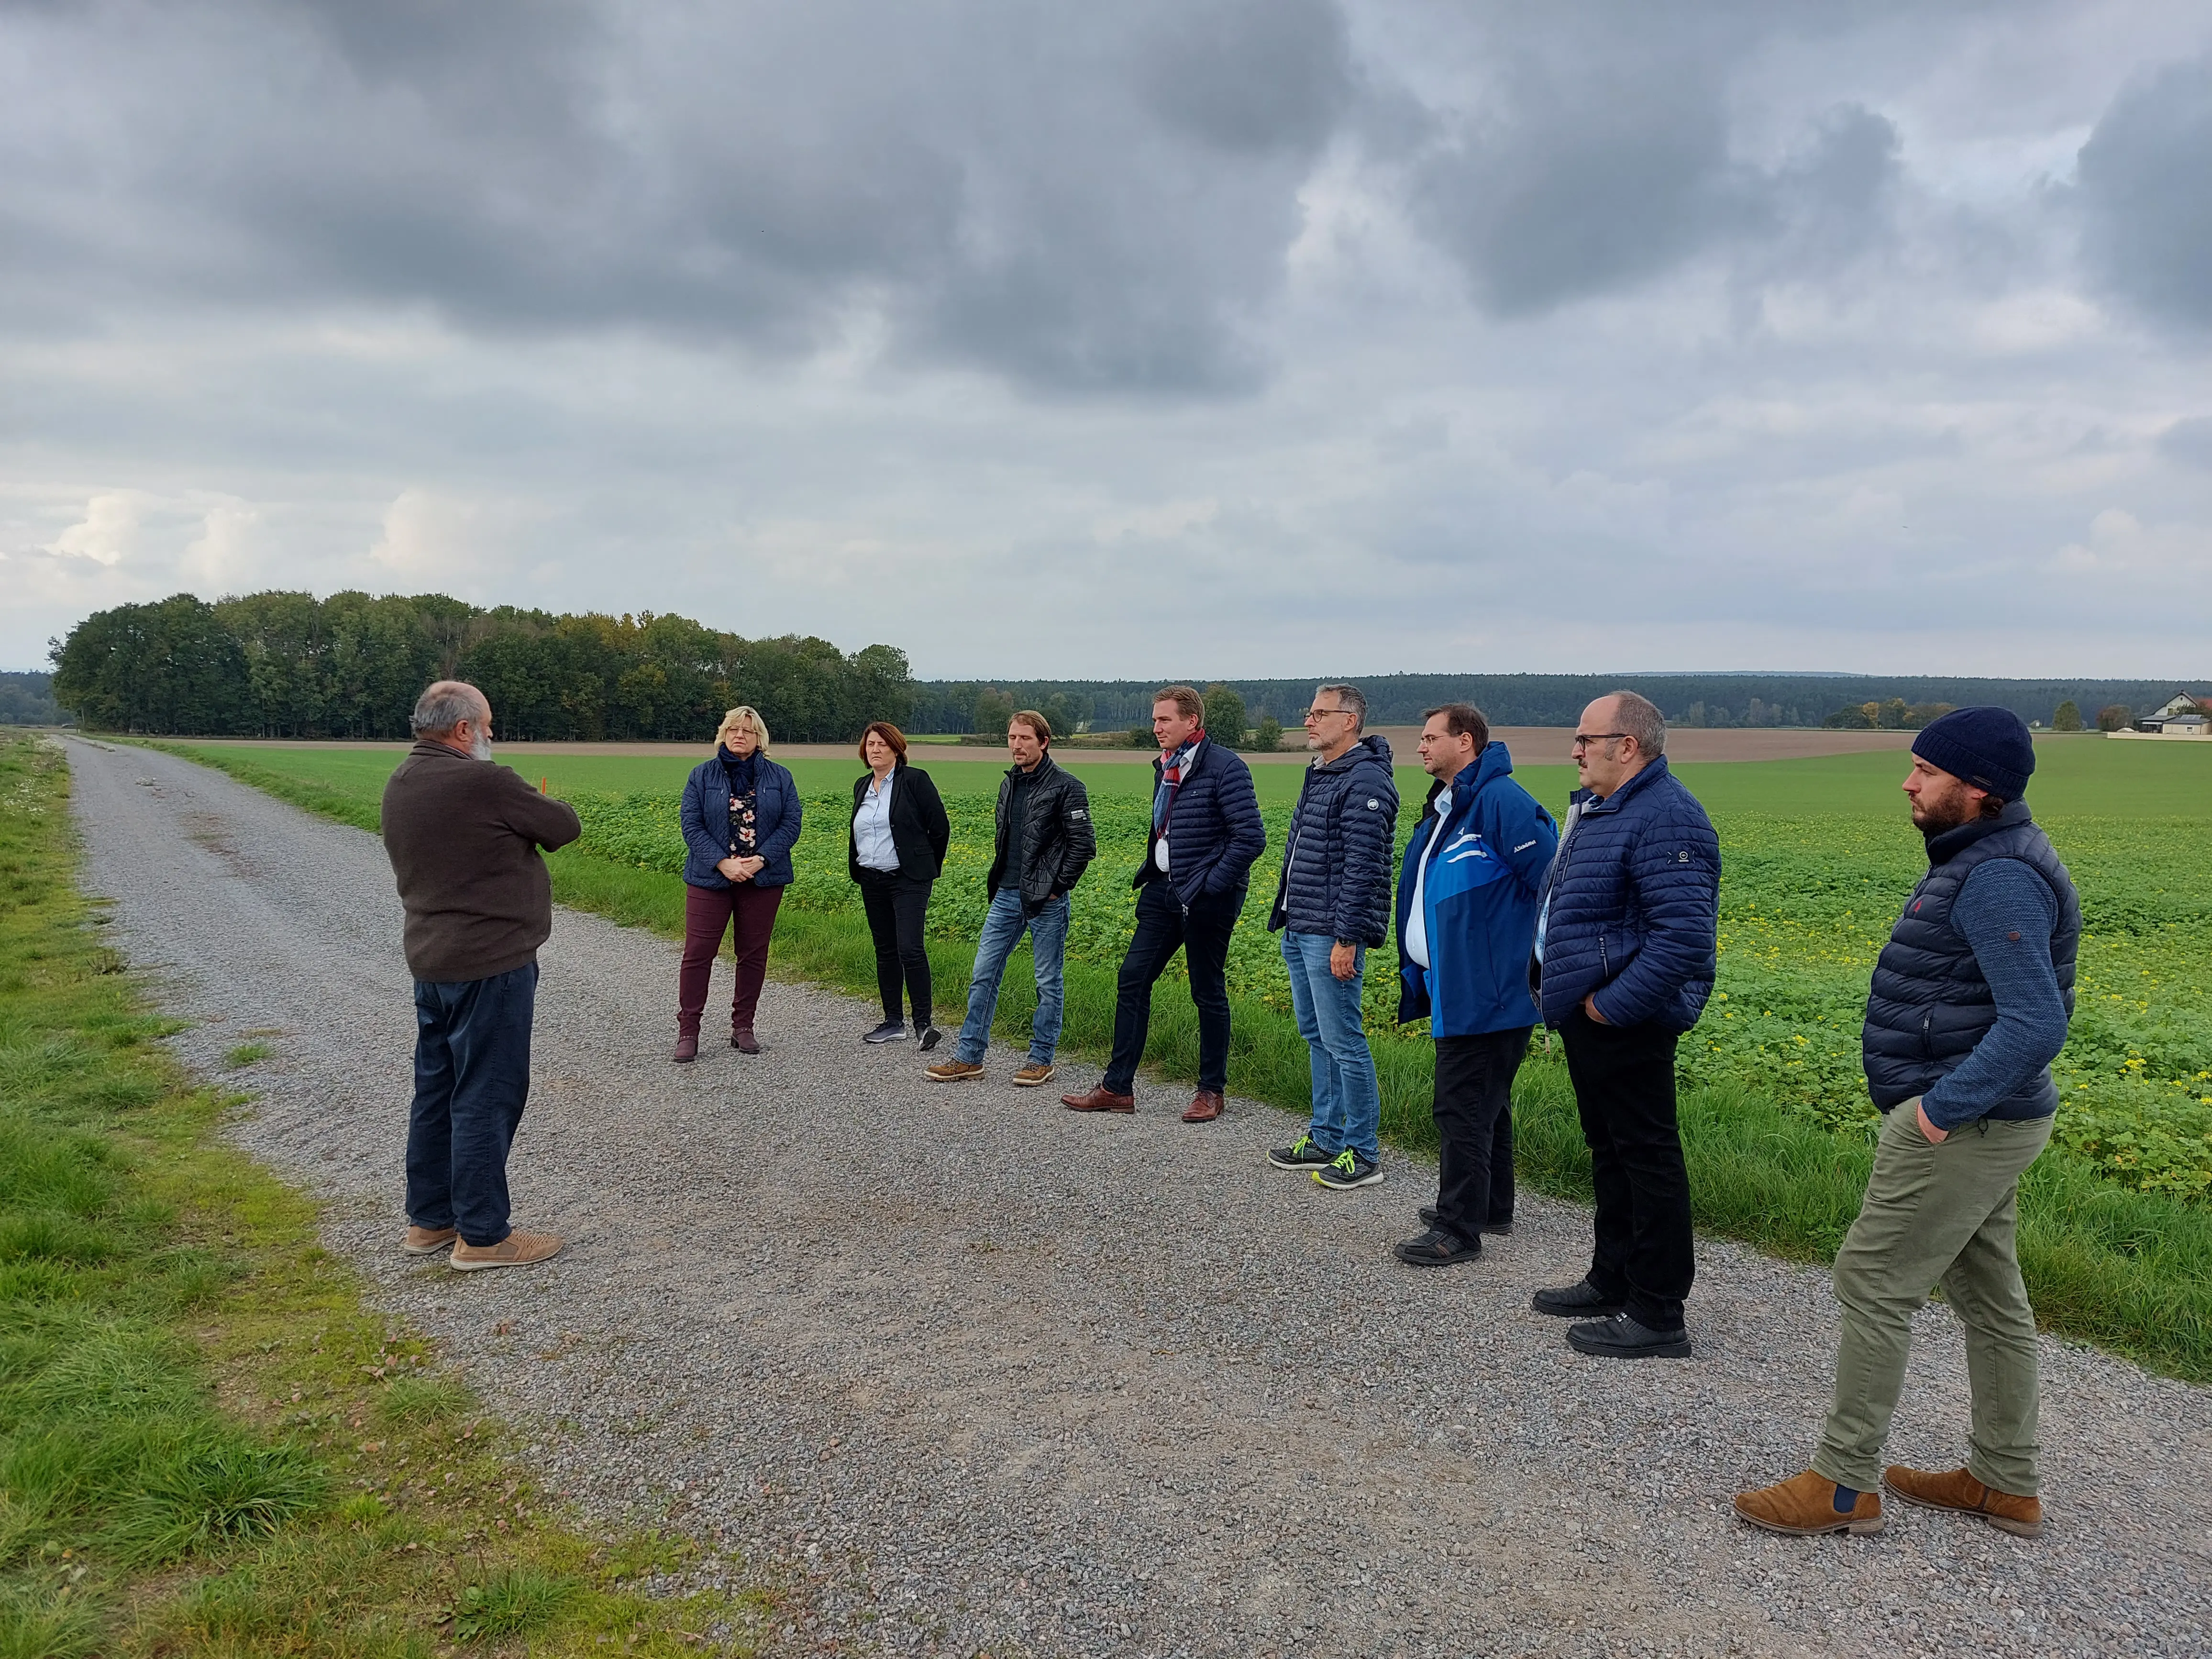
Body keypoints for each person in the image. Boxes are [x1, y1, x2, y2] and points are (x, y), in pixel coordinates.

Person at [1736, 708, 2077, 1540]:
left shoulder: (1996, 873)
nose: (1907, 781)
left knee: (1872, 1279)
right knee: (1988, 1294)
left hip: (1963, 1123)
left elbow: (2033, 1022)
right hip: (1982, 1120)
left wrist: (1935, 1111)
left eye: (1924, 770)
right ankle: (2004, 1480)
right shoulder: (1979, 858)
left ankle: (1843, 1483)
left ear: (1977, 788)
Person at [1529, 690, 1719, 1359]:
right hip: (1591, 1014)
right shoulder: (1607, 808)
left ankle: (1659, 1312)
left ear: (1628, 746)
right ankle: (1612, 1280)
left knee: (1647, 1157)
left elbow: (1684, 940)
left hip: (1627, 1018)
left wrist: (1611, 1006)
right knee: (1610, 1152)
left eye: (1586, 739)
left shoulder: (1668, 817)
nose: (1575, 750)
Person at [381, 680, 580, 1272]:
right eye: (487, 725)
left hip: (432, 959)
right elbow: (564, 827)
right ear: (463, 729)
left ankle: (431, 1220)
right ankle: (484, 1235)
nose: (492, 735)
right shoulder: (484, 780)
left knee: (437, 1090)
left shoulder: (402, 781)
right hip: (490, 963)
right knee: (487, 1095)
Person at [1387, 704, 1558, 1264]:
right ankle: (1491, 1206)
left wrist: (1523, 964)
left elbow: (1551, 886)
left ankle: (1457, 1230)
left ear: (1466, 741)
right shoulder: (1449, 805)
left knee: (1460, 1106)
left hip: (1489, 988)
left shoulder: (1500, 801)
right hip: (1455, 984)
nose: (1420, 746)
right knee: (1488, 1102)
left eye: (1430, 736)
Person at [1062, 685, 1265, 1122]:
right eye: (1155, 720)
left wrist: (1211, 884)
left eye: (1164, 719)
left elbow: (1250, 838)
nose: (1156, 728)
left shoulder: (1226, 767)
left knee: (1206, 990)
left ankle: (1211, 1091)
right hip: (1163, 890)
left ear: (1191, 721)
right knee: (1132, 978)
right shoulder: (1166, 766)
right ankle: (1118, 1089)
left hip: (1209, 897)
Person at [1264, 684, 1398, 1189]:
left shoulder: (1364, 780)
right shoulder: (1323, 773)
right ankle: (1325, 1138)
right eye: (1309, 712)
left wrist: (1348, 938)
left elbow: (1363, 870)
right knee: (1317, 1035)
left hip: (1330, 934)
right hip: (1301, 925)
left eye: (1320, 713)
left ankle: (1362, 1152)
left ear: (1350, 722)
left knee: (1344, 1040)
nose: (1309, 721)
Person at [927, 711, 1095, 1087]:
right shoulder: (1009, 784)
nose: (1017, 745)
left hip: (1046, 900)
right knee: (983, 974)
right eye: (1011, 738)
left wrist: (1057, 887)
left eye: (1024, 738)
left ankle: (1041, 1059)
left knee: (1047, 980)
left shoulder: (1068, 786)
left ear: (1043, 742)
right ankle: (969, 1057)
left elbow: (1083, 846)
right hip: (1006, 894)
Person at [676, 705, 804, 1060]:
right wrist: (722, 863)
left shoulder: (780, 777)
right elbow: (692, 825)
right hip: (710, 878)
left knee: (752, 954)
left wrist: (761, 860)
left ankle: (743, 1027)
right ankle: (689, 1031)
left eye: (748, 731)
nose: (739, 736)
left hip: (762, 878)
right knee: (698, 954)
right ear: (723, 734)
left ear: (759, 738)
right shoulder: (701, 776)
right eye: (733, 729)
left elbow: (791, 824)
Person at [849, 721, 951, 1049]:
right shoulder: (862, 785)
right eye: (870, 744)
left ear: (896, 748)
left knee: (910, 947)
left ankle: (924, 1024)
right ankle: (893, 1021)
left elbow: (940, 827)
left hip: (908, 879)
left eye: (882, 744)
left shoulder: (915, 781)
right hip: (871, 878)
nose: (875, 749)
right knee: (886, 950)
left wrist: (924, 864)